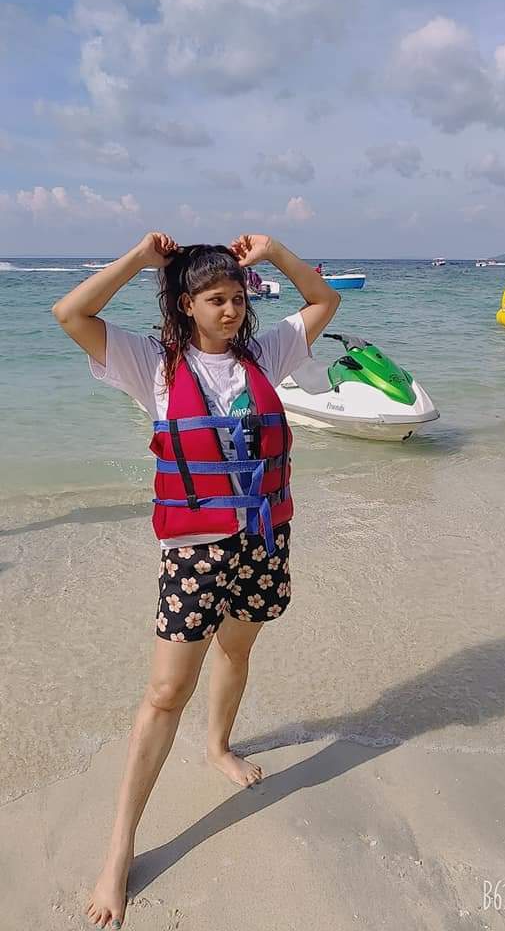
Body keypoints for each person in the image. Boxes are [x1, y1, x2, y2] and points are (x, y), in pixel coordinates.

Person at [52, 231, 340, 930]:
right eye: (215, 299)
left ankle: (217, 748)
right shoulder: (152, 365)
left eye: (237, 297)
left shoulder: (265, 354)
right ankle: (119, 848)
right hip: (194, 553)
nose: (231, 310)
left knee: (237, 652)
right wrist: (136, 259)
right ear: (186, 305)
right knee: (164, 693)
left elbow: (323, 301)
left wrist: (274, 252)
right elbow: (71, 314)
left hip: (262, 542)